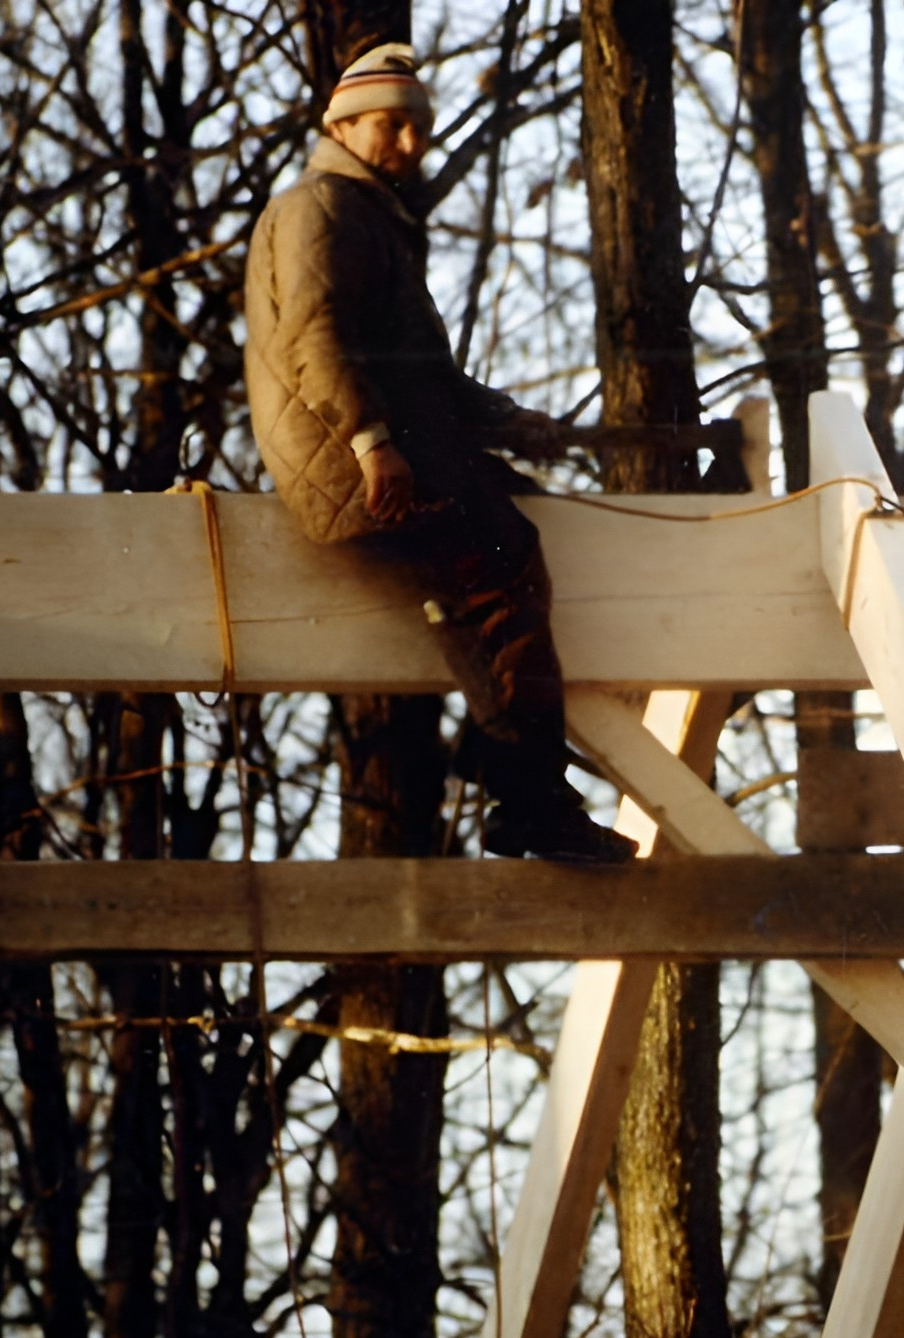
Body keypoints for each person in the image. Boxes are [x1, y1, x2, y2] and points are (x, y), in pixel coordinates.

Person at [243, 41, 632, 862]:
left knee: (500, 549)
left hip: (392, 450)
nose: (413, 145)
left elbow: (425, 379)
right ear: (343, 125)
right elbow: (315, 339)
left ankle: (506, 768)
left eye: (420, 128)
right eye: (395, 126)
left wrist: (510, 420)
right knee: (499, 571)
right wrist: (371, 442)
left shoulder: (364, 213)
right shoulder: (323, 208)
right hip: (363, 467)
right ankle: (527, 797)